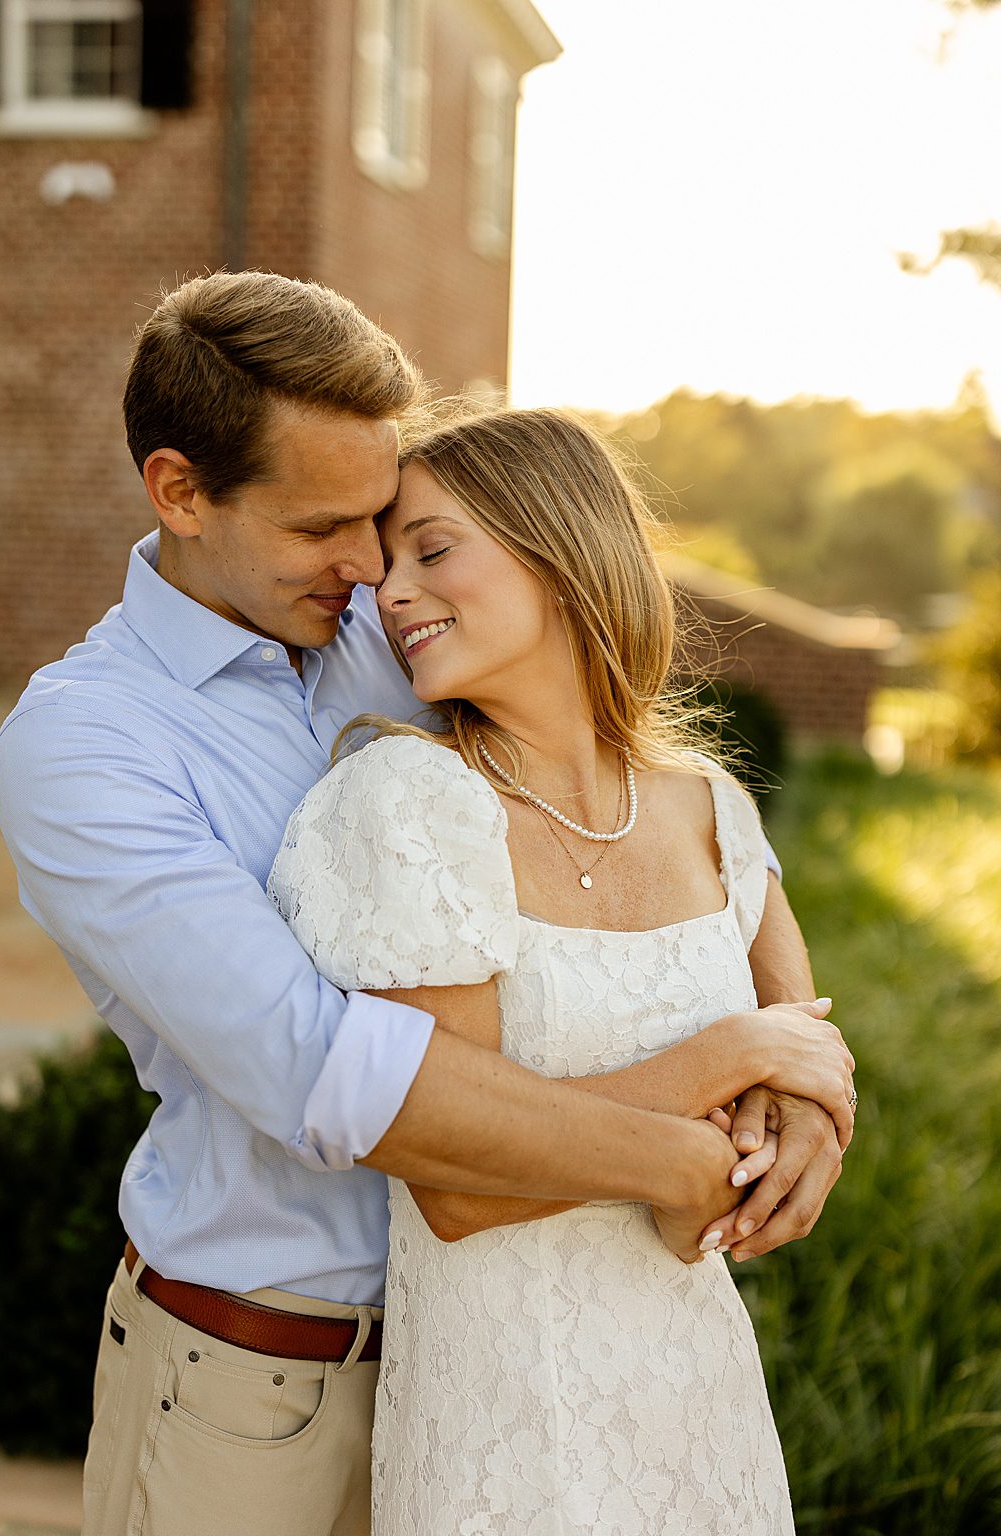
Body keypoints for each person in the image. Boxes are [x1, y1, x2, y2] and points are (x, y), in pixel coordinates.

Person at [0, 272, 853, 1536]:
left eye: (389, 525)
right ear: (178, 491)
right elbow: (331, 1072)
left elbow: (704, 864)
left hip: (539, 1369)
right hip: (270, 1384)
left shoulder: (391, 628)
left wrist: (805, 1083)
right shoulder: (86, 746)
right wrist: (691, 1142)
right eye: (321, 527)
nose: (367, 570)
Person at [272, 406, 817, 1530]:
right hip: (509, 1430)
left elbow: (805, 1052)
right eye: (386, 568)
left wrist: (805, 1129)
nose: (392, 593)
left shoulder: (710, 810)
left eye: (431, 549)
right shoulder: (415, 802)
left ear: (560, 552)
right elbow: (459, 1185)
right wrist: (719, 1063)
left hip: (699, 1407)